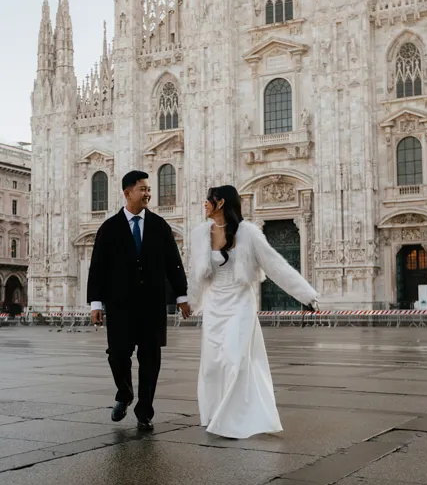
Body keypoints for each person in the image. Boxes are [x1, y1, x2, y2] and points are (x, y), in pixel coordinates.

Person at [188, 186, 319, 439]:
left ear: (221, 202)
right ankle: (215, 413)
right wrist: (189, 302)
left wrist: (306, 294)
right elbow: (196, 275)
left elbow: (275, 265)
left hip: (240, 302)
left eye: (208, 199)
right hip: (214, 304)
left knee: (235, 358)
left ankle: (233, 420)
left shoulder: (248, 233)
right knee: (213, 365)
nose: (204, 203)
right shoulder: (200, 234)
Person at [87, 170, 190, 431]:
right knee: (117, 355)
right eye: (143, 189)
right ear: (127, 192)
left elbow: (173, 263)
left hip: (152, 305)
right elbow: (97, 267)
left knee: (150, 359)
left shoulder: (159, 225)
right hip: (120, 305)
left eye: (148, 189)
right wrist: (96, 303)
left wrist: (182, 295)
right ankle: (124, 393)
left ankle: (145, 411)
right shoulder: (109, 227)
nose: (147, 194)